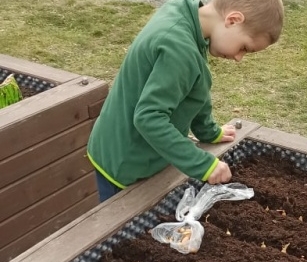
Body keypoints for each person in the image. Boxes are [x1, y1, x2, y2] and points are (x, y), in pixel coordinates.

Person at [87, 0, 284, 202]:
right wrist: (203, 164)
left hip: (131, 146)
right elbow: (149, 118)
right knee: (122, 226)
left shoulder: (185, 13)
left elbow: (194, 85)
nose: (239, 58)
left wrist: (208, 131)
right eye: (244, 48)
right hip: (125, 159)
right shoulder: (178, 49)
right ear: (233, 20)